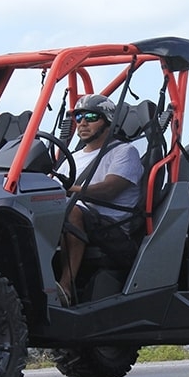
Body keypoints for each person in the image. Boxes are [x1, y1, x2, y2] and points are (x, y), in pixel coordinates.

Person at [56, 94, 143, 306]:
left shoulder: (125, 152)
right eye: (79, 117)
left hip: (111, 226)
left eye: (91, 117)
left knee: (72, 211)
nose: (83, 123)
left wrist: (68, 190)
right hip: (80, 217)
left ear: (108, 121)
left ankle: (65, 287)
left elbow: (109, 190)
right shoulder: (73, 157)